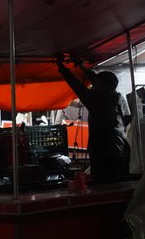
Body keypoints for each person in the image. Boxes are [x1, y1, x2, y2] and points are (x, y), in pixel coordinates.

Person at [56, 55, 131, 183]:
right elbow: (96, 80)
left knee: (104, 185)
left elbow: (76, 85)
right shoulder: (115, 97)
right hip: (120, 149)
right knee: (120, 183)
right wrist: (82, 68)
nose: (93, 85)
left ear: (104, 86)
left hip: (105, 154)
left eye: (97, 83)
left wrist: (61, 67)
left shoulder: (96, 101)